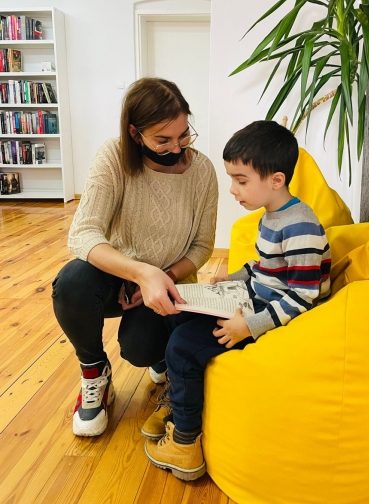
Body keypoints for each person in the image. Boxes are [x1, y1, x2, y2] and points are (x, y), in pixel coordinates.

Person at [144, 120, 331, 480]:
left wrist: (250, 325)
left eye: (241, 180)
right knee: (178, 317)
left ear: (276, 180)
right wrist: (232, 278)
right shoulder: (274, 215)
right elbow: (265, 267)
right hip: (253, 299)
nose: (232, 189)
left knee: (183, 346)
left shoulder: (301, 227)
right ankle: (175, 402)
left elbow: (304, 296)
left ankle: (184, 444)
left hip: (269, 317)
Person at [52, 78, 218, 437]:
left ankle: (160, 353)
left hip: (168, 284)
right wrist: (140, 272)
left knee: (141, 350)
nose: (176, 147)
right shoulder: (113, 156)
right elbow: (83, 233)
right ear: (135, 133)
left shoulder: (202, 171)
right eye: (163, 139)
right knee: (72, 283)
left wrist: (165, 276)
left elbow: (202, 246)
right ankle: (95, 371)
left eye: (184, 134)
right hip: (115, 276)